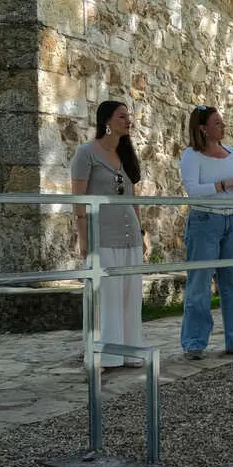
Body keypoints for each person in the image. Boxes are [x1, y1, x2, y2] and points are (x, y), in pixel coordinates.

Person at [70, 100, 145, 369]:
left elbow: (133, 197)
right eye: (123, 116)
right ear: (107, 121)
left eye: (129, 116)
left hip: (130, 237)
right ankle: (106, 354)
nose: (129, 121)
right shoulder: (86, 153)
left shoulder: (126, 154)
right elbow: (78, 198)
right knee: (107, 297)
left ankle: (130, 351)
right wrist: (83, 236)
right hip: (103, 235)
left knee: (130, 297)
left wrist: (141, 231)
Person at [179, 105, 233, 359]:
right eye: (217, 123)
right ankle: (194, 341)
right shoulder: (192, 155)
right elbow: (193, 190)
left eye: (222, 122)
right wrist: (226, 184)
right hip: (204, 221)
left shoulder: (231, 152)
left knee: (232, 283)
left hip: (232, 221)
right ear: (203, 128)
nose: (223, 126)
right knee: (199, 284)